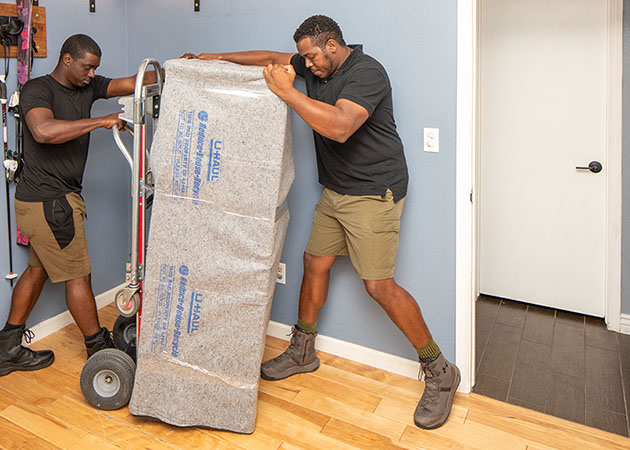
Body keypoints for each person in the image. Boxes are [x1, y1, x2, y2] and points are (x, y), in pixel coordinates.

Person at [183, 15, 460, 429]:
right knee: (314, 263)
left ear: (332, 46)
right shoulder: (313, 63)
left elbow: (341, 127)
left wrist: (286, 92)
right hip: (336, 190)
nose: (305, 65)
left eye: (311, 57)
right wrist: (215, 58)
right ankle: (303, 350)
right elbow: (270, 58)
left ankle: (440, 371)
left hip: (373, 191)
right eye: (304, 59)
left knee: (378, 287)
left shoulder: (367, 73)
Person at [0, 34, 154, 377]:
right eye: (88, 67)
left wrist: (180, 68)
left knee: (38, 271)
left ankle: (6, 349)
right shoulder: (38, 89)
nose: (93, 75)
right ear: (67, 60)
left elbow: (135, 83)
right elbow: (44, 131)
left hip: (50, 202)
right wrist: (100, 121)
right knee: (78, 275)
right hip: (49, 203)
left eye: (96, 69)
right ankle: (99, 348)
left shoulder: (87, 87)